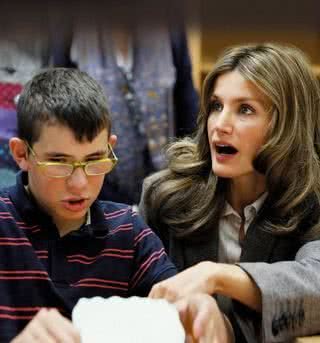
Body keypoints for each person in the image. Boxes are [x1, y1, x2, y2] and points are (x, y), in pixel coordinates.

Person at [0, 68, 231, 342]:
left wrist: (206, 314)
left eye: (94, 160)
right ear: (21, 154)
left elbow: (181, 307)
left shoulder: (129, 233)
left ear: (111, 147)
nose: (79, 183)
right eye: (59, 162)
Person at [140, 43, 320, 342]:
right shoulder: (164, 194)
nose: (220, 125)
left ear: (287, 125)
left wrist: (217, 276)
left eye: (245, 110)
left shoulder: (312, 200)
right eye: (216, 106)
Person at [52, 18, 199, 205]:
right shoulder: (68, 30)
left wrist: (182, 182)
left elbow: (188, 110)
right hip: (97, 193)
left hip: (167, 193)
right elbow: (62, 125)